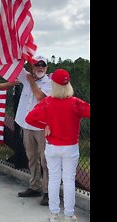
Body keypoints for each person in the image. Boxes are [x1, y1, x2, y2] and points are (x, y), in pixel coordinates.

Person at [25, 69, 90, 222]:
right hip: (70, 148)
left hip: (52, 147)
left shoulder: (47, 102)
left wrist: (45, 125)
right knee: (69, 180)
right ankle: (69, 215)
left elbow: (29, 119)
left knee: (54, 179)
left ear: (53, 84)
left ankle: (54, 214)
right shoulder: (75, 103)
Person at [15, 56, 52, 206]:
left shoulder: (49, 83)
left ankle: (48, 191)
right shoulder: (27, 76)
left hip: (42, 127)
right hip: (26, 125)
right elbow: (15, 66)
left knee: (45, 159)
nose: (40, 67)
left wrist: (31, 81)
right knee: (31, 157)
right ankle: (34, 186)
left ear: (47, 68)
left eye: (43, 65)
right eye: (37, 64)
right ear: (32, 66)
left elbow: (39, 96)